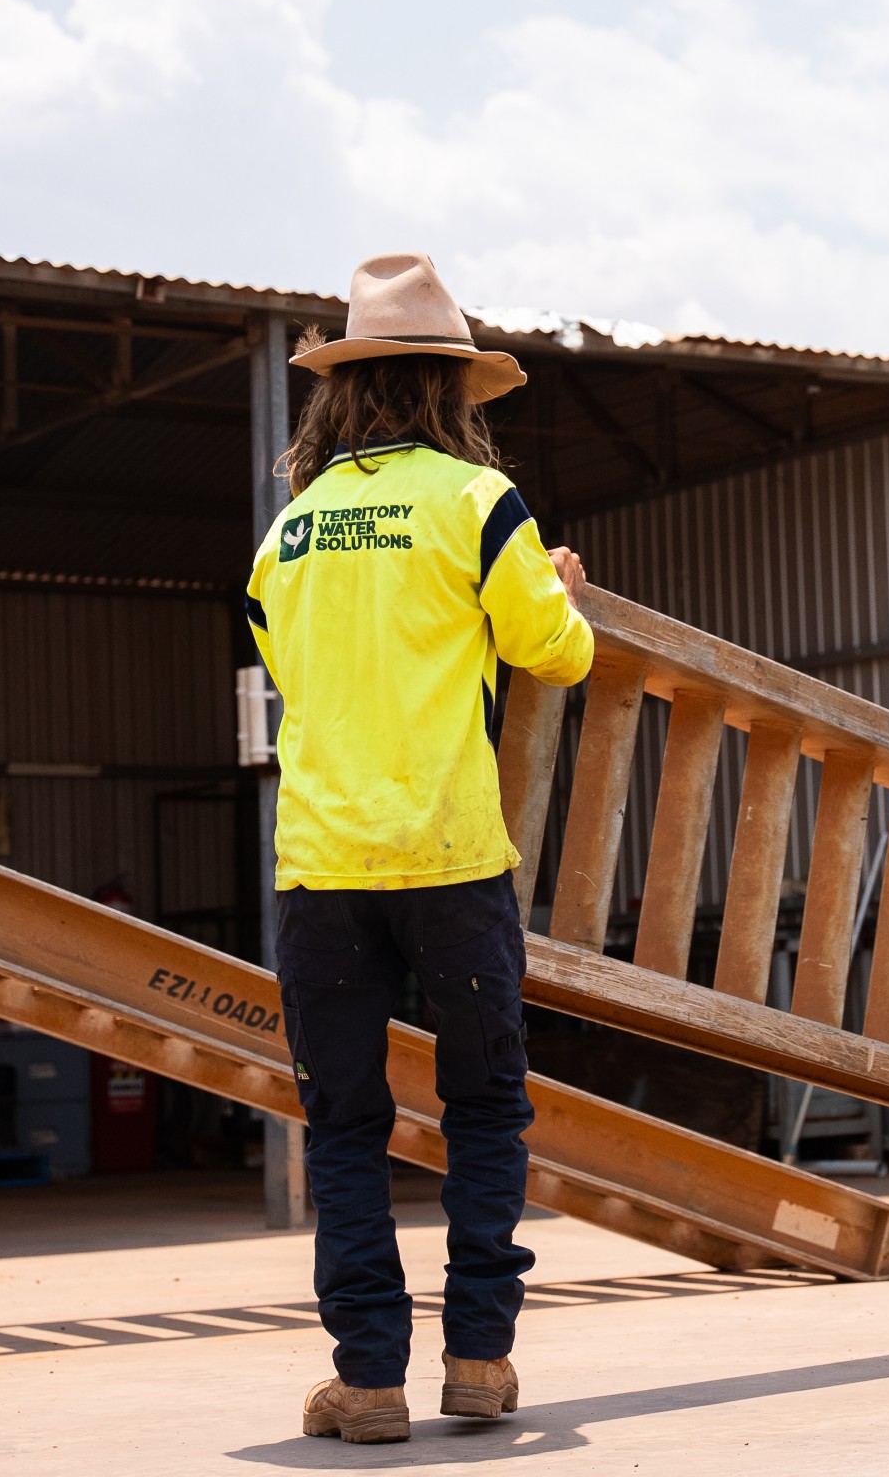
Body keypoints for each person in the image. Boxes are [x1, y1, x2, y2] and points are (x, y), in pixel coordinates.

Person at [245, 253, 593, 1445]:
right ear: (453, 392)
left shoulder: (284, 533)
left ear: (342, 392)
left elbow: (292, 674)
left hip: (324, 869)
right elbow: (555, 652)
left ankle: (371, 1381)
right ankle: (482, 1363)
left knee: (343, 1127)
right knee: (484, 1112)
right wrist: (558, 589)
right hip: (450, 857)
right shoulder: (475, 504)